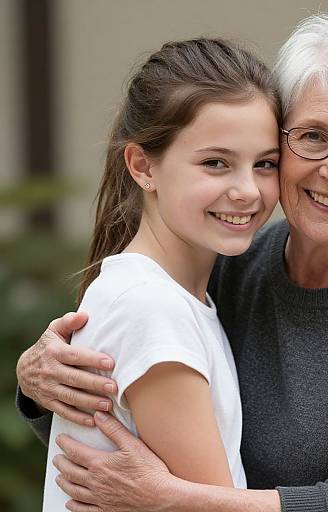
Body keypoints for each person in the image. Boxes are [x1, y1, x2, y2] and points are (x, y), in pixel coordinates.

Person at [16, 12, 328, 512]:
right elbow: (115, 454)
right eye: (314, 136)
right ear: (283, 140)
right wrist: (43, 387)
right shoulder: (231, 256)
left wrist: (170, 498)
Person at [38, 38, 283, 510]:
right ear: (143, 165)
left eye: (265, 164)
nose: (247, 191)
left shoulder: (171, 296)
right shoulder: (150, 306)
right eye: (216, 163)